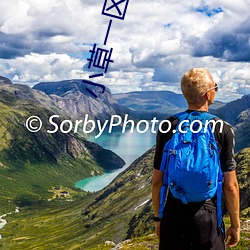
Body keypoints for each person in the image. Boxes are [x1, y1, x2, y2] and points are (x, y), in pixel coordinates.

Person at [152, 68, 240, 250]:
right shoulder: (222, 129)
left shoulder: (168, 125)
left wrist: (158, 218)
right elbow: (230, 185)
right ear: (208, 94)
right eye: (216, 87)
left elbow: (157, 181)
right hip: (207, 215)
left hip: (174, 212)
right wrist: (235, 225)